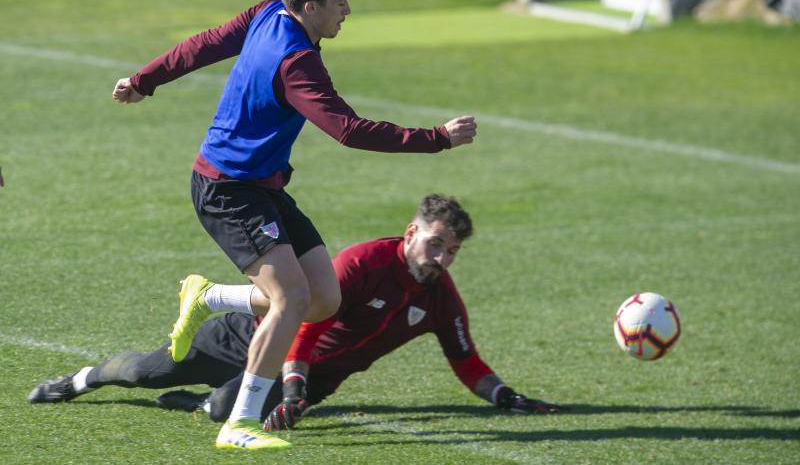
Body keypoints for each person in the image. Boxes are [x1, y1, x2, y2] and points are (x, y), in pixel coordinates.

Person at [110, 0, 477, 450]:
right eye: (341, 2)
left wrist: (142, 80)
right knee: (290, 299)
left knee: (324, 299)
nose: (347, 11)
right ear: (309, 5)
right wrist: (437, 138)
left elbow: (203, 45)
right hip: (227, 190)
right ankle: (239, 424)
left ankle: (209, 298)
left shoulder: (269, 11)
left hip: (262, 187)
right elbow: (347, 129)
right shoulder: (297, 63)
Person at [29, 195, 563, 431]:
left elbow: (466, 360)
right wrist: (291, 386)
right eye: (435, 244)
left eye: (451, 251)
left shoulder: (441, 297)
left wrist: (504, 395)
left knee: (220, 412)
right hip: (258, 336)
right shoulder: (362, 264)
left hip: (315, 377)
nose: (442, 258)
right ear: (410, 235)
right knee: (144, 372)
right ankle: (80, 380)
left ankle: (208, 401)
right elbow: (306, 318)